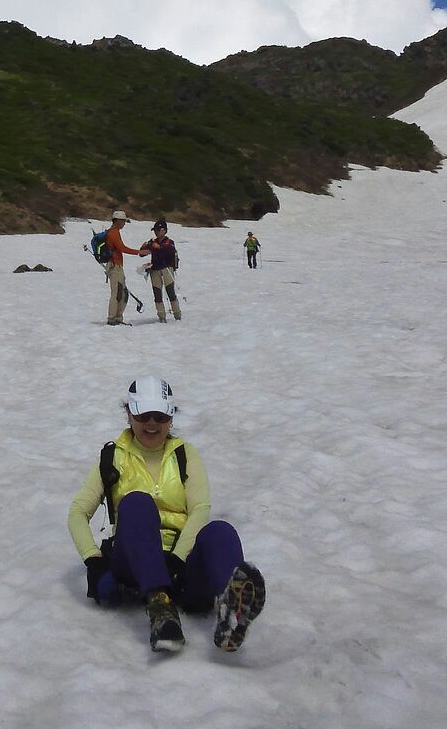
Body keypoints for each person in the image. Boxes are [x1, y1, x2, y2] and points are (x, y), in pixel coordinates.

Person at [67, 375, 266, 653]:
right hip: (133, 563)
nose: (151, 423)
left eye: (160, 416)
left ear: (170, 417)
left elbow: (200, 509)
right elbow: (77, 512)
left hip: (180, 566)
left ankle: (230, 612)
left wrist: (177, 558)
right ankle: (160, 605)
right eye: (143, 414)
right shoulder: (112, 457)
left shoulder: (185, 454)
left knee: (221, 532)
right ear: (129, 414)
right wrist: (93, 559)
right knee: (136, 503)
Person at [138, 220, 181, 322]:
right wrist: (146, 246)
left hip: (167, 269)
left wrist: (158, 247)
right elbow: (141, 253)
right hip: (155, 270)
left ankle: (177, 314)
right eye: (155, 230)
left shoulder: (170, 242)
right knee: (157, 294)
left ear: (164, 230)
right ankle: (161, 316)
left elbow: (169, 252)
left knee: (170, 291)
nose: (156, 232)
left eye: (158, 230)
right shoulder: (153, 242)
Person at [103, 210, 139, 325]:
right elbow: (122, 248)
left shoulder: (113, 232)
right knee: (117, 293)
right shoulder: (114, 233)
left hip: (115, 266)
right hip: (115, 266)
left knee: (121, 293)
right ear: (117, 221)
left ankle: (116, 317)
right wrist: (139, 252)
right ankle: (112, 318)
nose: (124, 223)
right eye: (123, 221)